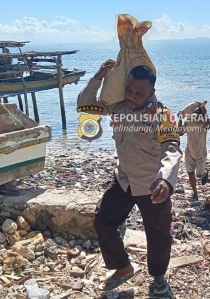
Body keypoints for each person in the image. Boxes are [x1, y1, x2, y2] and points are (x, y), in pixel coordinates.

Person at [77, 61, 182, 298]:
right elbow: (85, 105)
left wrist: (165, 180)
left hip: (152, 184)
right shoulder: (118, 108)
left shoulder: (163, 115)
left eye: (139, 93)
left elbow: (172, 148)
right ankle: (123, 267)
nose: (132, 96)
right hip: (123, 179)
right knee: (103, 221)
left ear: (151, 92)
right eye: (129, 90)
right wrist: (98, 77)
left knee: (158, 235)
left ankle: (158, 280)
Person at [178, 104, 210, 201]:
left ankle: (205, 173)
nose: (197, 118)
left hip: (201, 153)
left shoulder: (204, 124)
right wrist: (180, 118)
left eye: (199, 116)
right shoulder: (189, 122)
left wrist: (204, 111)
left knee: (199, 175)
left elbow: (208, 123)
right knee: (190, 173)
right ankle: (195, 193)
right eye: (196, 116)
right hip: (189, 152)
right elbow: (180, 133)